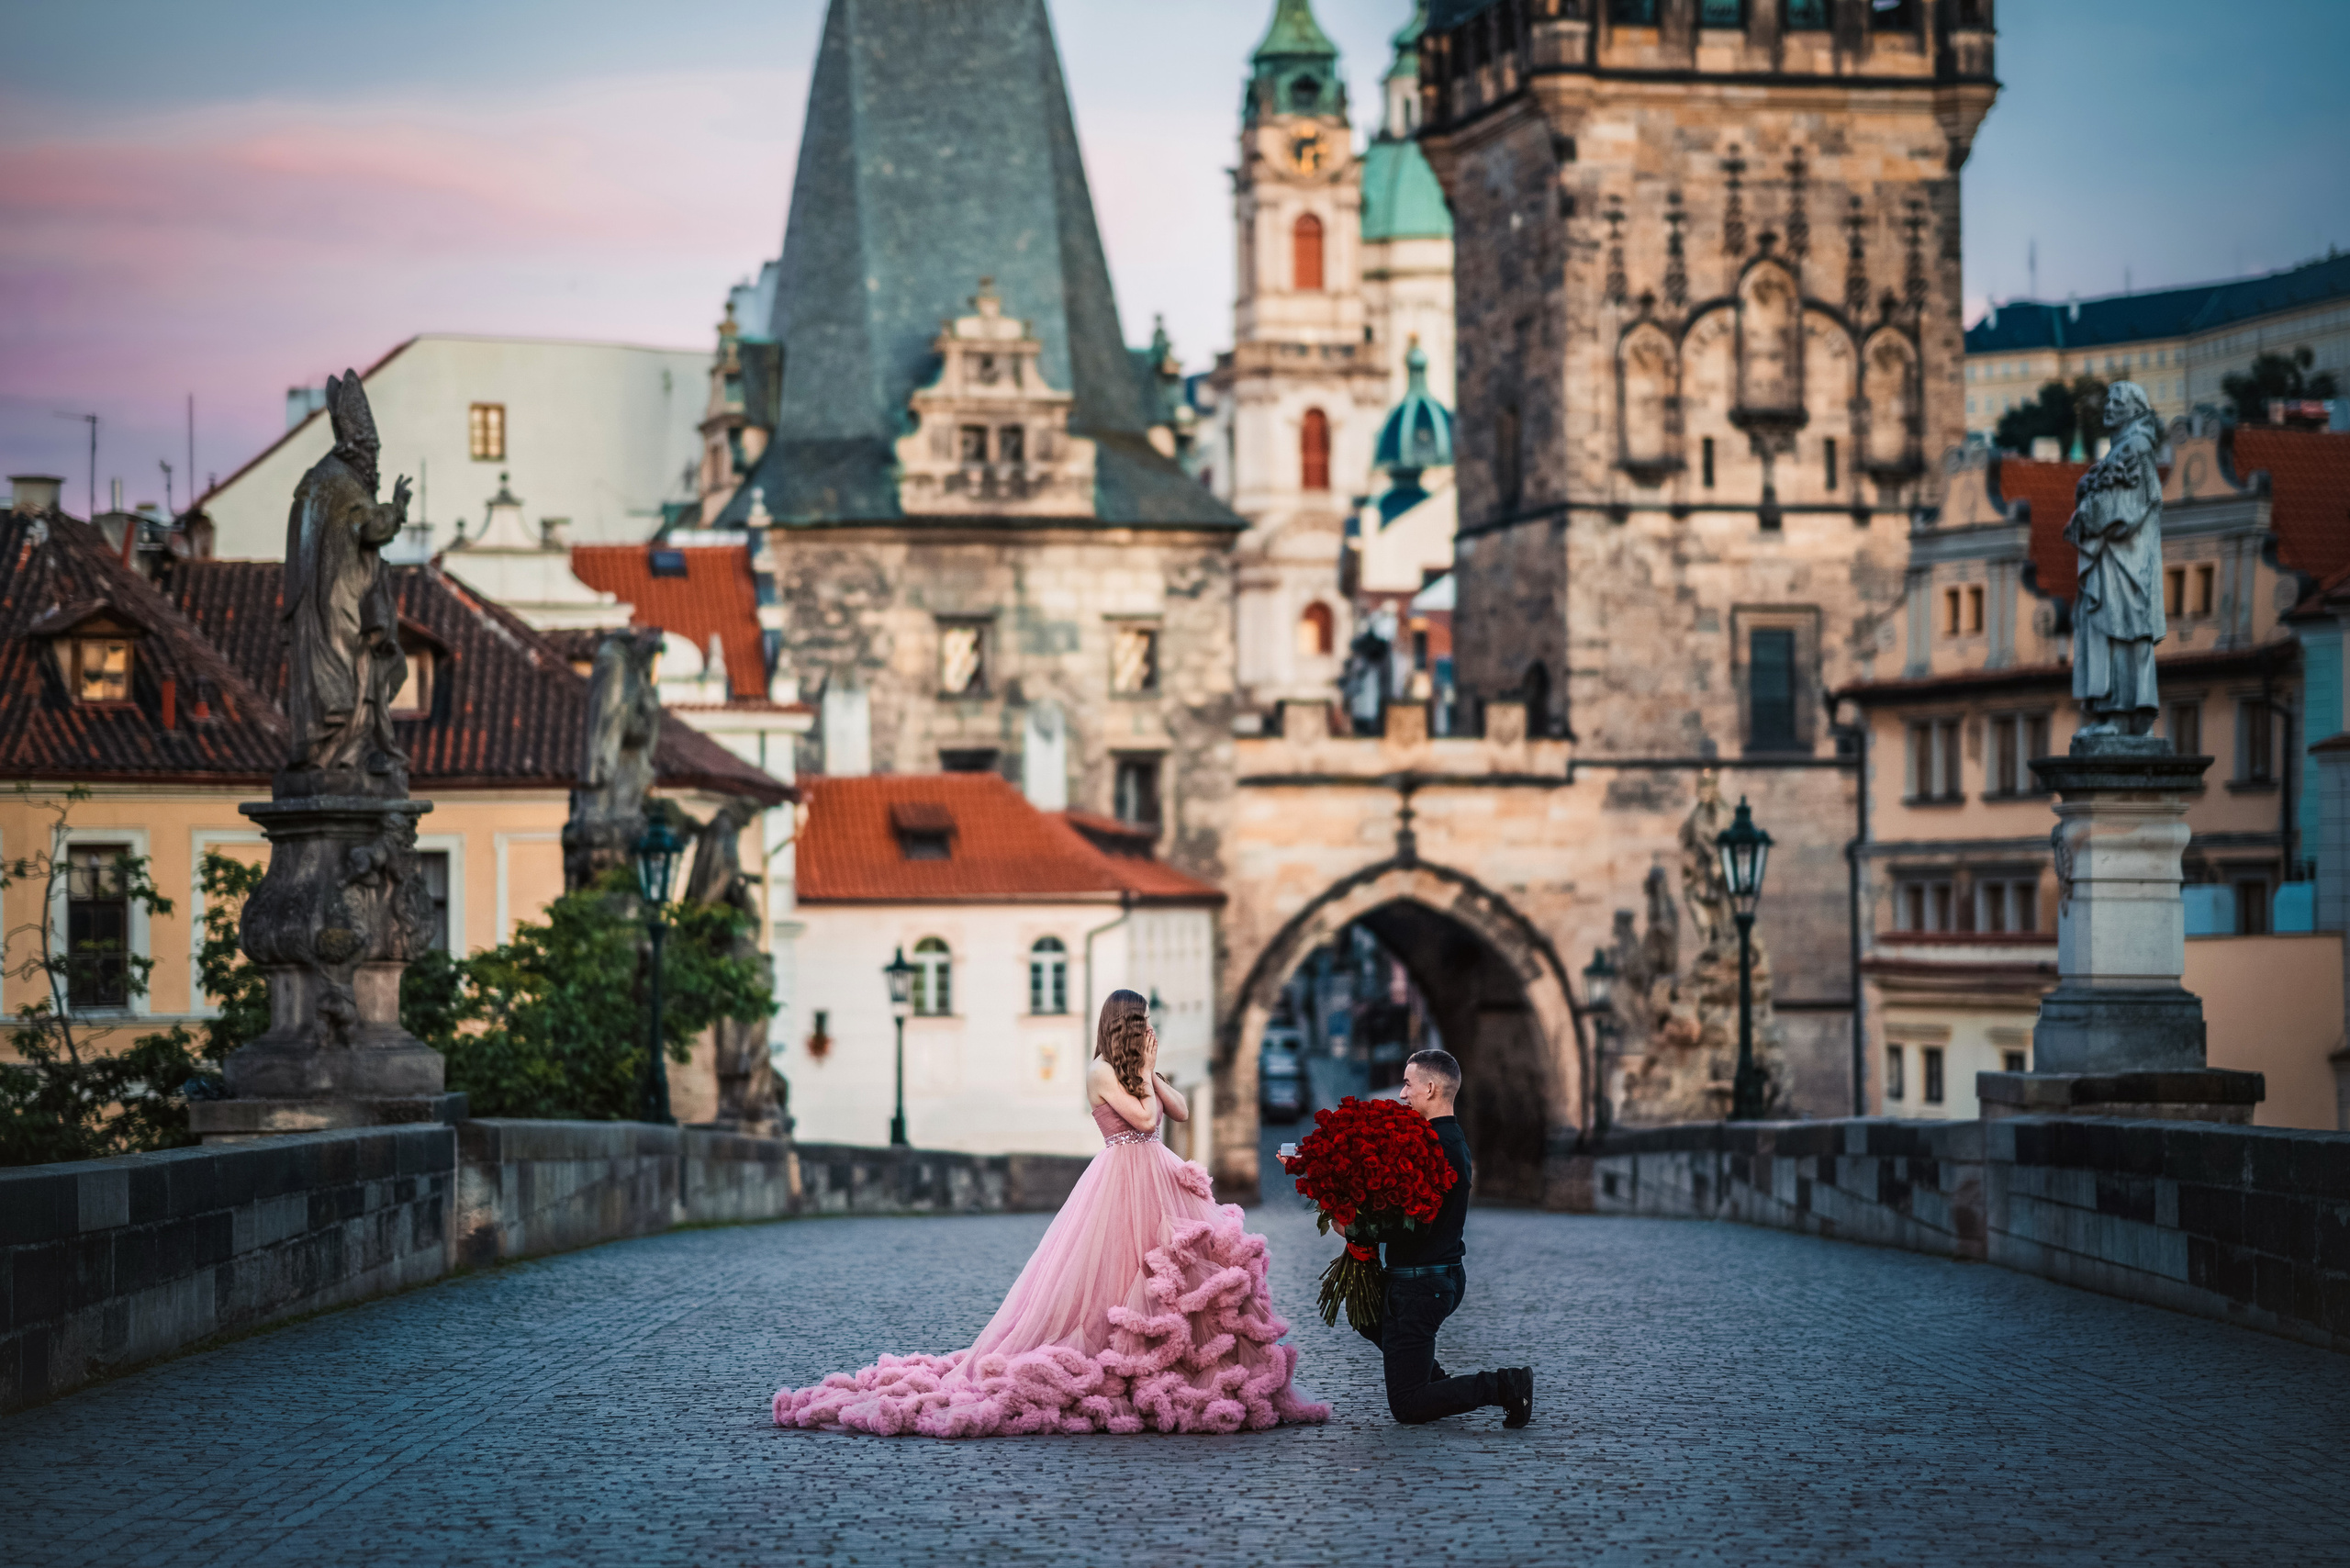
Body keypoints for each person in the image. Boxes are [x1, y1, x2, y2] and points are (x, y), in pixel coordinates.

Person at [773, 991, 1330, 1438]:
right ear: (1123, 1027)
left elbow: (1176, 1111)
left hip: (1160, 1175)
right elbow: (1138, 1119)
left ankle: (1181, 1360)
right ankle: (1119, 1357)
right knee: (1113, 1276)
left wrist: (1156, 1071)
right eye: (1141, 1025)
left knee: (1177, 1273)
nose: (1148, 1033)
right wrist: (1147, 1073)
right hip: (1119, 1178)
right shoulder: (1100, 1071)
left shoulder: (1136, 1069)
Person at [1352, 1048, 1533, 1428]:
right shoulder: (1442, 1137)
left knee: (1408, 1405)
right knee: (1367, 1318)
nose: (1402, 1094)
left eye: (1407, 1084)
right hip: (1432, 1276)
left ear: (1430, 1088)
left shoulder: (1438, 1149)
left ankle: (1502, 1386)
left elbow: (1417, 1225)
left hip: (1422, 1284)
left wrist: (1353, 1226)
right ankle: (1436, 1384)